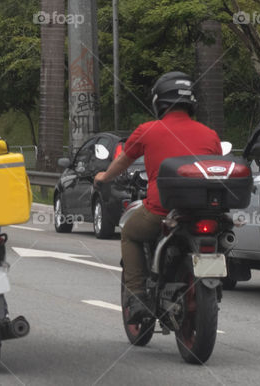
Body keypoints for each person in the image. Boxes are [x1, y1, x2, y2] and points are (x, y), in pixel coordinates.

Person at [94, 71, 222, 321]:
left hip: (162, 210)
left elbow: (122, 161)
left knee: (130, 232)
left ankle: (137, 295)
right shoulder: (210, 134)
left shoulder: (147, 130)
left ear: (158, 102)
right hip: (206, 211)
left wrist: (103, 177)